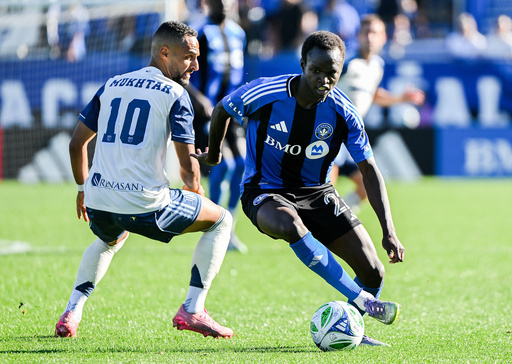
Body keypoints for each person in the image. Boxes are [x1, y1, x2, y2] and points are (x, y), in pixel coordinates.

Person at [194, 30, 404, 346]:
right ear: (303, 63)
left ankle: (353, 330)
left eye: (331, 73)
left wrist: (389, 230)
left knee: (374, 271)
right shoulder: (267, 92)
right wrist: (213, 153)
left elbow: (369, 170)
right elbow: (223, 108)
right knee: (289, 224)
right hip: (264, 191)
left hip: (318, 193)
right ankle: (362, 301)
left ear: (341, 70)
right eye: (315, 70)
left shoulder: (344, 112)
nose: (323, 79)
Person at [54, 21, 233, 339]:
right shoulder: (177, 93)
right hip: (146, 204)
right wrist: (195, 191)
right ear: (165, 53)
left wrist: (82, 189)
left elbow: (76, 144)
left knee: (109, 241)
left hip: (99, 200)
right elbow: (187, 168)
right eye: (189, 56)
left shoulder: (113, 84)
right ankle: (193, 309)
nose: (196, 64)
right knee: (221, 220)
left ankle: (72, 311)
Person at [331, 14, 425, 211]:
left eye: (375, 33)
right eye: (366, 32)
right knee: (326, 186)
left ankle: (338, 216)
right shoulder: (346, 64)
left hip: (351, 136)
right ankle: (318, 225)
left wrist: (401, 98)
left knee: (368, 186)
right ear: (358, 36)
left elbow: (371, 94)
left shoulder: (377, 65)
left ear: (384, 38)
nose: (370, 38)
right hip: (331, 133)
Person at [186, 0, 248, 253]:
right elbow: (182, 73)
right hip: (207, 113)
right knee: (225, 165)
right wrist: (199, 100)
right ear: (206, 3)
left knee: (243, 165)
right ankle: (213, 224)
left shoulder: (239, 33)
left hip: (231, 112)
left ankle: (229, 228)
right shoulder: (198, 32)